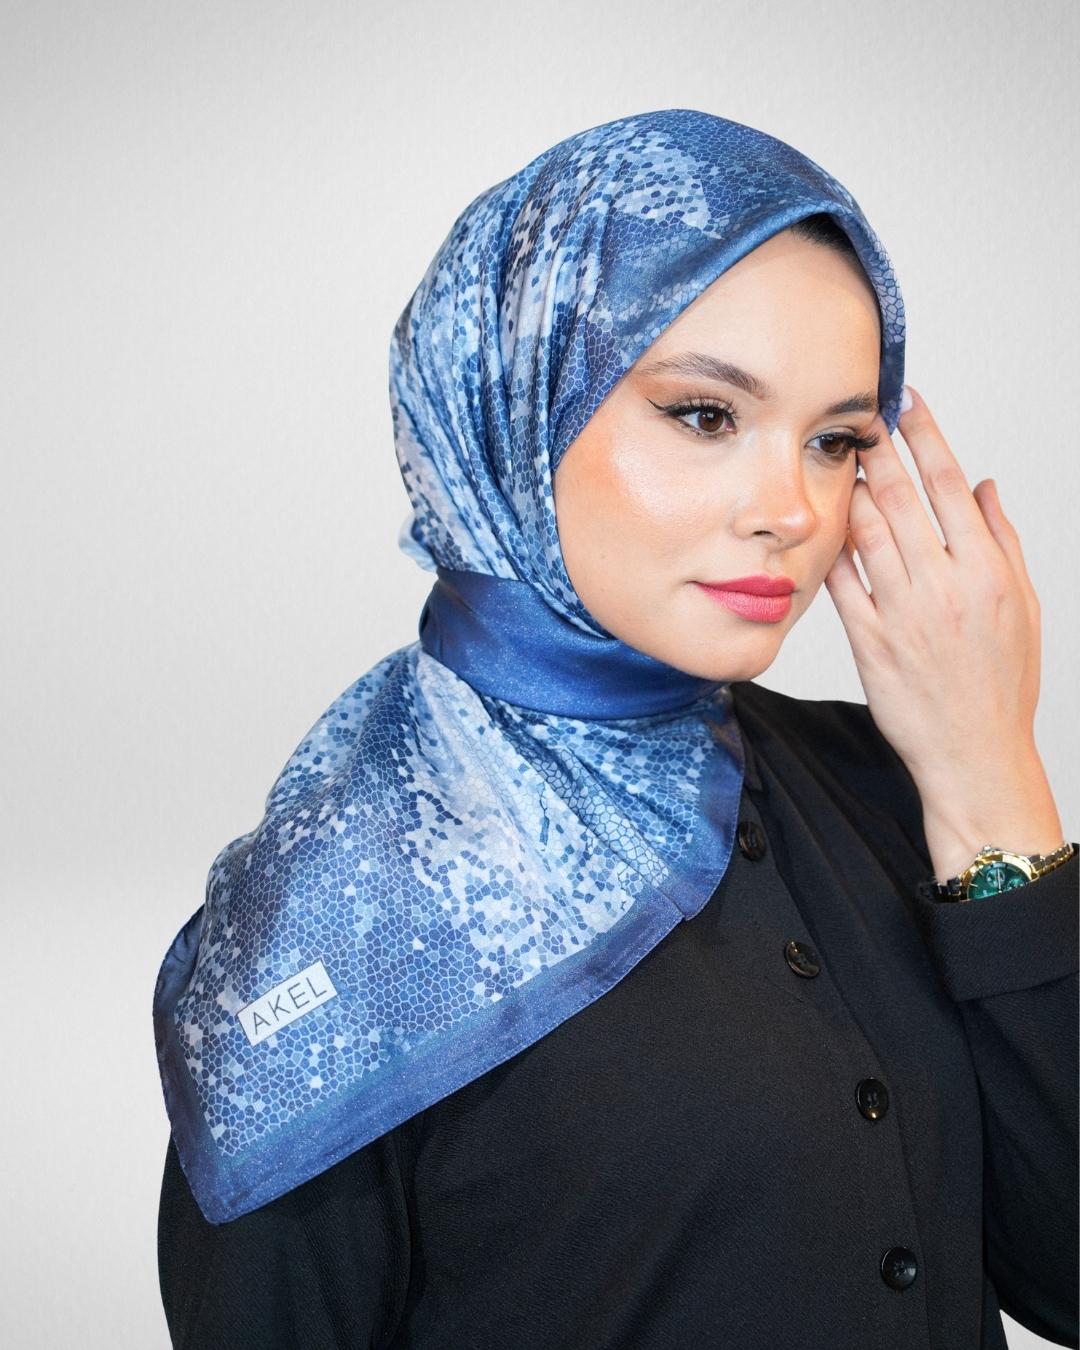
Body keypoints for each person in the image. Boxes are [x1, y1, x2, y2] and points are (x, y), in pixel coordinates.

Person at [154, 108, 1078, 1349]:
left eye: (836, 442)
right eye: (704, 415)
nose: (793, 509)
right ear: (516, 402)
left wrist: (991, 776)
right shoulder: (343, 906)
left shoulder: (886, 783)